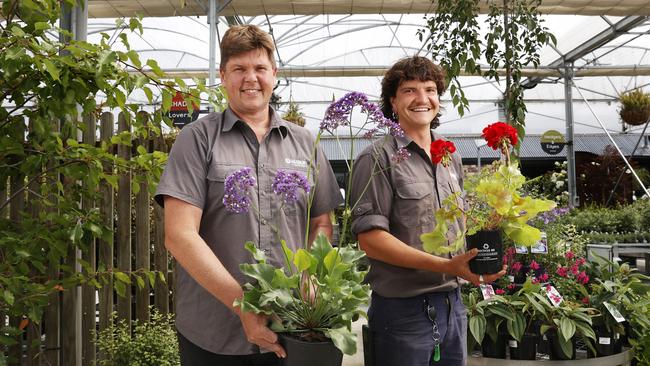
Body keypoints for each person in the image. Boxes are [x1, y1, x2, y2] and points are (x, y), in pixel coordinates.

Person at [155, 24, 342, 366]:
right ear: (223, 75)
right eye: (239, 69)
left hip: (292, 325)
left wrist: (310, 276)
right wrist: (244, 305)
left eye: (259, 68)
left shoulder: (305, 143)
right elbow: (179, 235)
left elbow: (321, 223)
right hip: (214, 332)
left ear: (275, 74)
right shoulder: (196, 140)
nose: (250, 78)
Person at [349, 56, 507, 366]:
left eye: (430, 89)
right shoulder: (377, 158)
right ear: (393, 101)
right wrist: (446, 266)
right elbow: (370, 240)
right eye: (409, 90)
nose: (422, 99)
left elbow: (459, 224)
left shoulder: (449, 157)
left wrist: (487, 245)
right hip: (402, 313)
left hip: (453, 305)